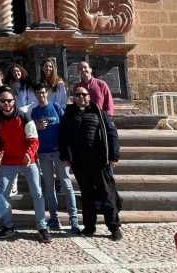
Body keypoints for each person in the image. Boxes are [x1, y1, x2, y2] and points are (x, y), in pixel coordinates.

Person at [59, 85, 122, 240]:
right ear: (74, 97)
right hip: (79, 162)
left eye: (84, 94)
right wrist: (64, 156)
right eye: (78, 95)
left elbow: (112, 133)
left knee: (106, 193)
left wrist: (114, 156)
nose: (81, 97)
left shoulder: (99, 112)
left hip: (98, 161)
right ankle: (89, 227)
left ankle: (114, 227)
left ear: (89, 96)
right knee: (86, 195)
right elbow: (63, 136)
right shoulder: (69, 114)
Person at [0, 89, 51, 242]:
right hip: (8, 162)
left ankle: (42, 226)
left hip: (27, 161)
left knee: (37, 193)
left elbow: (33, 140)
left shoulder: (24, 117)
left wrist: (29, 153)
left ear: (14, 101)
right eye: (3, 101)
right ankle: (9, 227)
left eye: (9, 100)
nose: (6, 104)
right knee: (2, 195)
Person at [32, 86, 79, 233]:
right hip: (43, 153)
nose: (41, 95)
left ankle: (73, 218)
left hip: (59, 152)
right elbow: (30, 131)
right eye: (38, 93)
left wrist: (67, 150)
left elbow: (65, 127)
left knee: (66, 183)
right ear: (35, 95)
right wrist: (36, 126)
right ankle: (53, 217)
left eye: (43, 92)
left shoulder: (56, 107)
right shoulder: (34, 112)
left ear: (47, 94)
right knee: (49, 185)